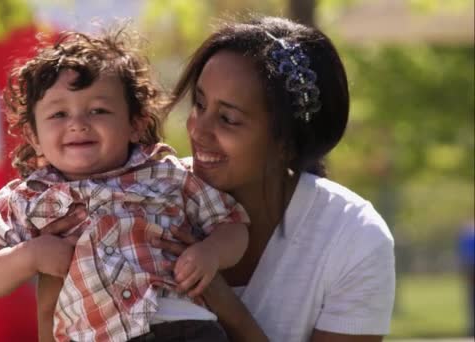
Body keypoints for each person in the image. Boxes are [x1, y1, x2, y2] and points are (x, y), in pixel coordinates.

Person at [43, 16, 396, 341]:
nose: (198, 130)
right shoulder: (136, 195)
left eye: (228, 119)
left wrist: (223, 304)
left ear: (287, 143)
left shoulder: (353, 238)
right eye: (199, 105)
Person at [0, 27, 249, 342]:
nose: (78, 123)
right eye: (59, 114)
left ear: (135, 125)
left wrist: (211, 252)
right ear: (34, 137)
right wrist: (31, 254)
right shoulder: (26, 198)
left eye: (98, 110)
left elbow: (233, 223)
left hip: (184, 327)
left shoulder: (166, 174)